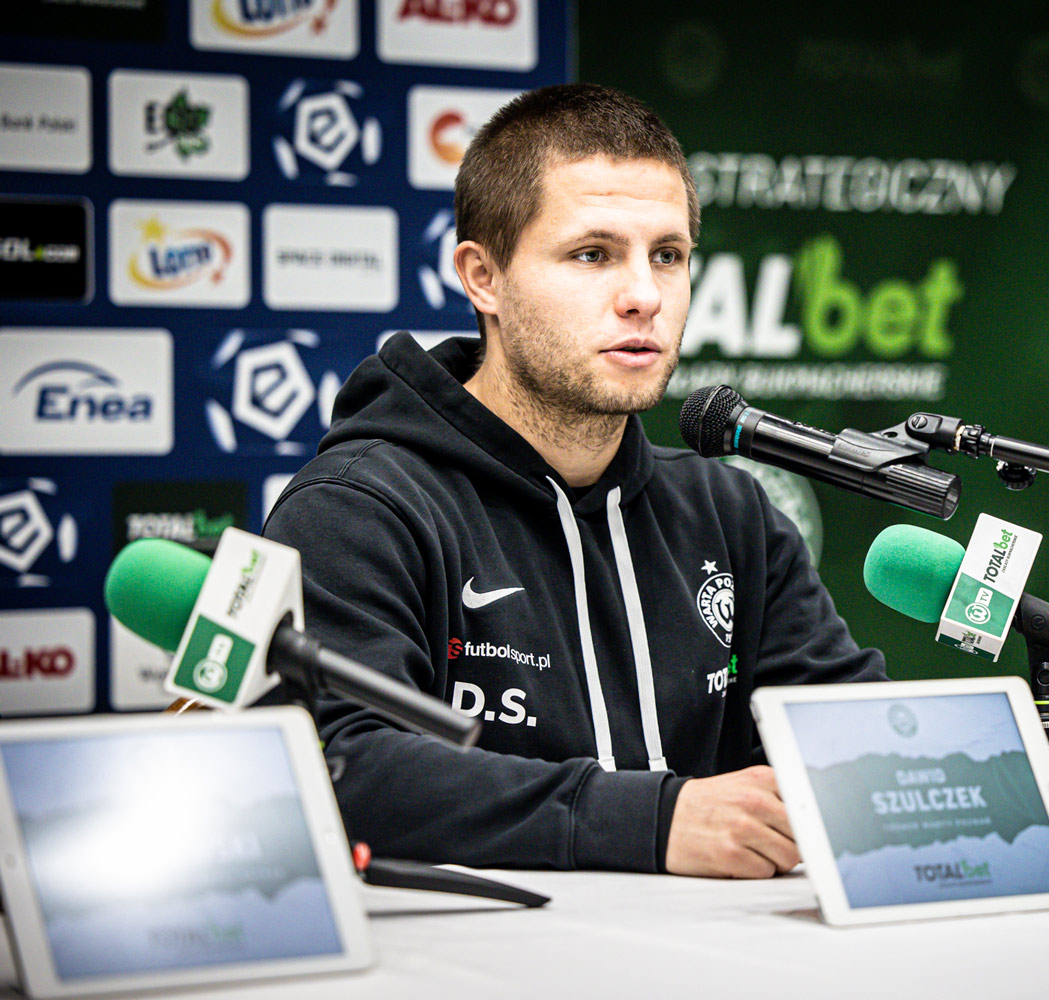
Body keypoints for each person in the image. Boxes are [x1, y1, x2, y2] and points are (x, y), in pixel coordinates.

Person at [264, 83, 884, 879]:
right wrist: (652, 820)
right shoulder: (360, 507)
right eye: (592, 254)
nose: (643, 297)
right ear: (482, 277)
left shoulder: (730, 512)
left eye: (668, 256)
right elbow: (343, 768)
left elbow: (853, 734)